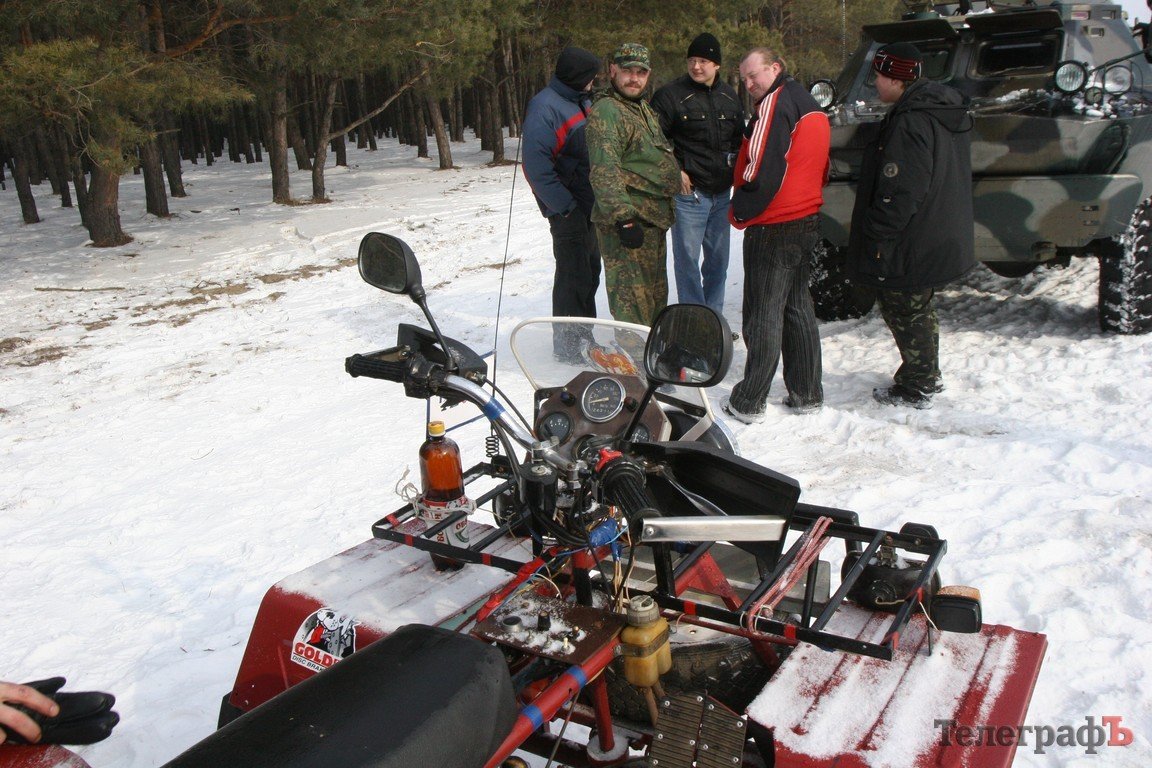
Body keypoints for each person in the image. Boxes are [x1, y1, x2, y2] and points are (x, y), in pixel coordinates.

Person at [846, 42, 975, 409]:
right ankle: (923, 374)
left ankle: (919, 382)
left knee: (905, 306)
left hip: (909, 236)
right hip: (930, 228)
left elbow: (900, 189)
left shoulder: (911, 120)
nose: (875, 84)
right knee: (916, 305)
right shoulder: (936, 109)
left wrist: (878, 232)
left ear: (897, 79)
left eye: (880, 77)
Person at [722, 48, 830, 423]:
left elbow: (761, 166)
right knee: (798, 305)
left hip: (775, 222)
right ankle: (807, 392)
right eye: (745, 79)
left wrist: (740, 208)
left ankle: (750, 400)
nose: (750, 84)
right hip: (807, 219)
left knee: (762, 312)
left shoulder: (775, 103)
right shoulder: (810, 104)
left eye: (755, 75)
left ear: (776, 68)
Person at [587, 42, 681, 327]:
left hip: (652, 223)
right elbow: (605, 170)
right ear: (613, 70)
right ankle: (634, 368)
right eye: (628, 71)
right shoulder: (607, 112)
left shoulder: (640, 108)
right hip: (629, 227)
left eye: (641, 72)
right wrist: (624, 220)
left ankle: (651, 365)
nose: (634, 78)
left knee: (653, 304)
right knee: (632, 312)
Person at [651, 33, 745, 318]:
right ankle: (694, 319)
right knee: (688, 262)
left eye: (703, 61)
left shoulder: (730, 96)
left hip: (721, 194)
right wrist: (674, 169)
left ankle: (713, 320)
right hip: (689, 195)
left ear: (716, 64)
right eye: (692, 60)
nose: (696, 66)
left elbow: (739, 140)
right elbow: (654, 140)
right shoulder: (670, 95)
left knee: (718, 262)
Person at [522, 46, 603, 361]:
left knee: (589, 273)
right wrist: (565, 207)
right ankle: (569, 348)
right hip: (568, 210)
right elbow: (536, 168)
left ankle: (585, 337)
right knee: (572, 277)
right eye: (590, 78)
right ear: (577, 77)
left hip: (589, 207)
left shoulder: (581, 101)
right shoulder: (545, 107)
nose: (593, 84)